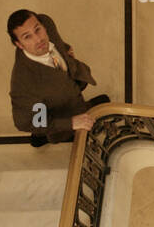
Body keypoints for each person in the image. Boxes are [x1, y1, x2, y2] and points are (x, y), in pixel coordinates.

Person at [7, 9, 109, 145]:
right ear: (19, 45)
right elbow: (25, 121)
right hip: (62, 121)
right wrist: (71, 122)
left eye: (37, 30)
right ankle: (43, 136)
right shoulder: (24, 83)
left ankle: (40, 133)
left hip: (68, 96)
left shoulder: (46, 23)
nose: (38, 39)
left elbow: (56, 43)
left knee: (101, 102)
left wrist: (65, 51)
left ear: (42, 25)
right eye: (27, 37)